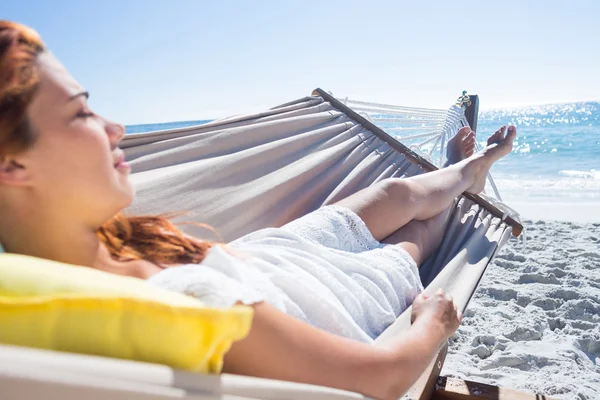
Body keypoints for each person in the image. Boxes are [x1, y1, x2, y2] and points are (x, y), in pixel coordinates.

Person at [0, 20, 516, 400]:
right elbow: (381, 377)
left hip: (268, 257)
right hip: (321, 299)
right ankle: (470, 175)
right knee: (417, 239)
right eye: (81, 111)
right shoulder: (182, 306)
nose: (118, 130)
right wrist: (433, 321)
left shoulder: (57, 257)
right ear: (11, 167)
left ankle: (466, 164)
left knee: (397, 196)